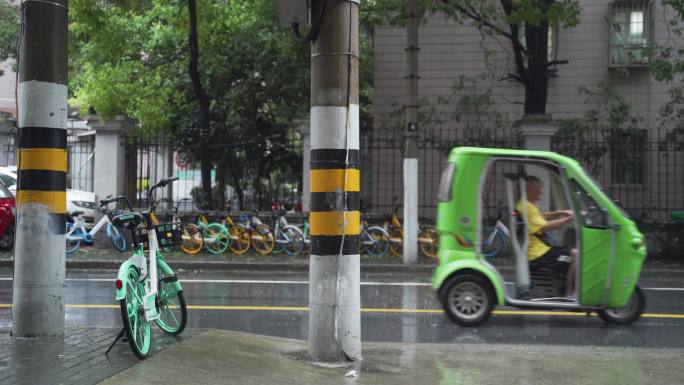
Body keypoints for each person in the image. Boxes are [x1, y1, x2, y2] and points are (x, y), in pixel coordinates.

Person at [515, 175, 577, 299]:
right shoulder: (527, 207)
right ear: (531, 189)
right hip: (540, 254)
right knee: (576, 255)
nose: (543, 191)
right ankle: (570, 295)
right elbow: (545, 227)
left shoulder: (526, 205)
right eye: (540, 188)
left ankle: (565, 287)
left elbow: (541, 217)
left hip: (541, 250)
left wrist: (562, 213)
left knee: (570, 250)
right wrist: (569, 218)